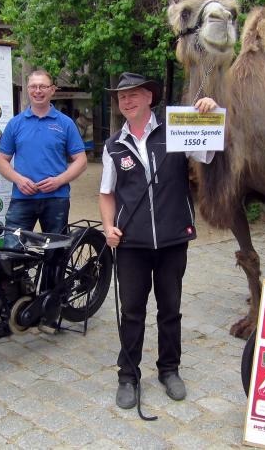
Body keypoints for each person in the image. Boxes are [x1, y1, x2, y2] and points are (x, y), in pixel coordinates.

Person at [99, 72, 216, 409]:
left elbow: (207, 153)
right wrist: (108, 227)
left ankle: (169, 370)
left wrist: (207, 113)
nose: (127, 101)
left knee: (170, 310)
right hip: (131, 244)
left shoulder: (177, 130)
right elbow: (106, 194)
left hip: (172, 239)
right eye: (121, 96)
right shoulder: (113, 146)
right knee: (131, 311)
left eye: (134, 94)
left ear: (150, 97)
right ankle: (128, 375)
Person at [0, 70, 87, 246]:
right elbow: (1, 160)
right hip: (22, 198)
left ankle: (51, 275)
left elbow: (81, 160)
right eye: (33, 86)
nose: (38, 91)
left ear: (52, 90)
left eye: (43, 86)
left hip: (56, 199)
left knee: (55, 253)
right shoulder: (15, 123)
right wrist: (19, 180)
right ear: (27, 90)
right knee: (12, 250)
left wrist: (59, 180)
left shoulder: (65, 123)